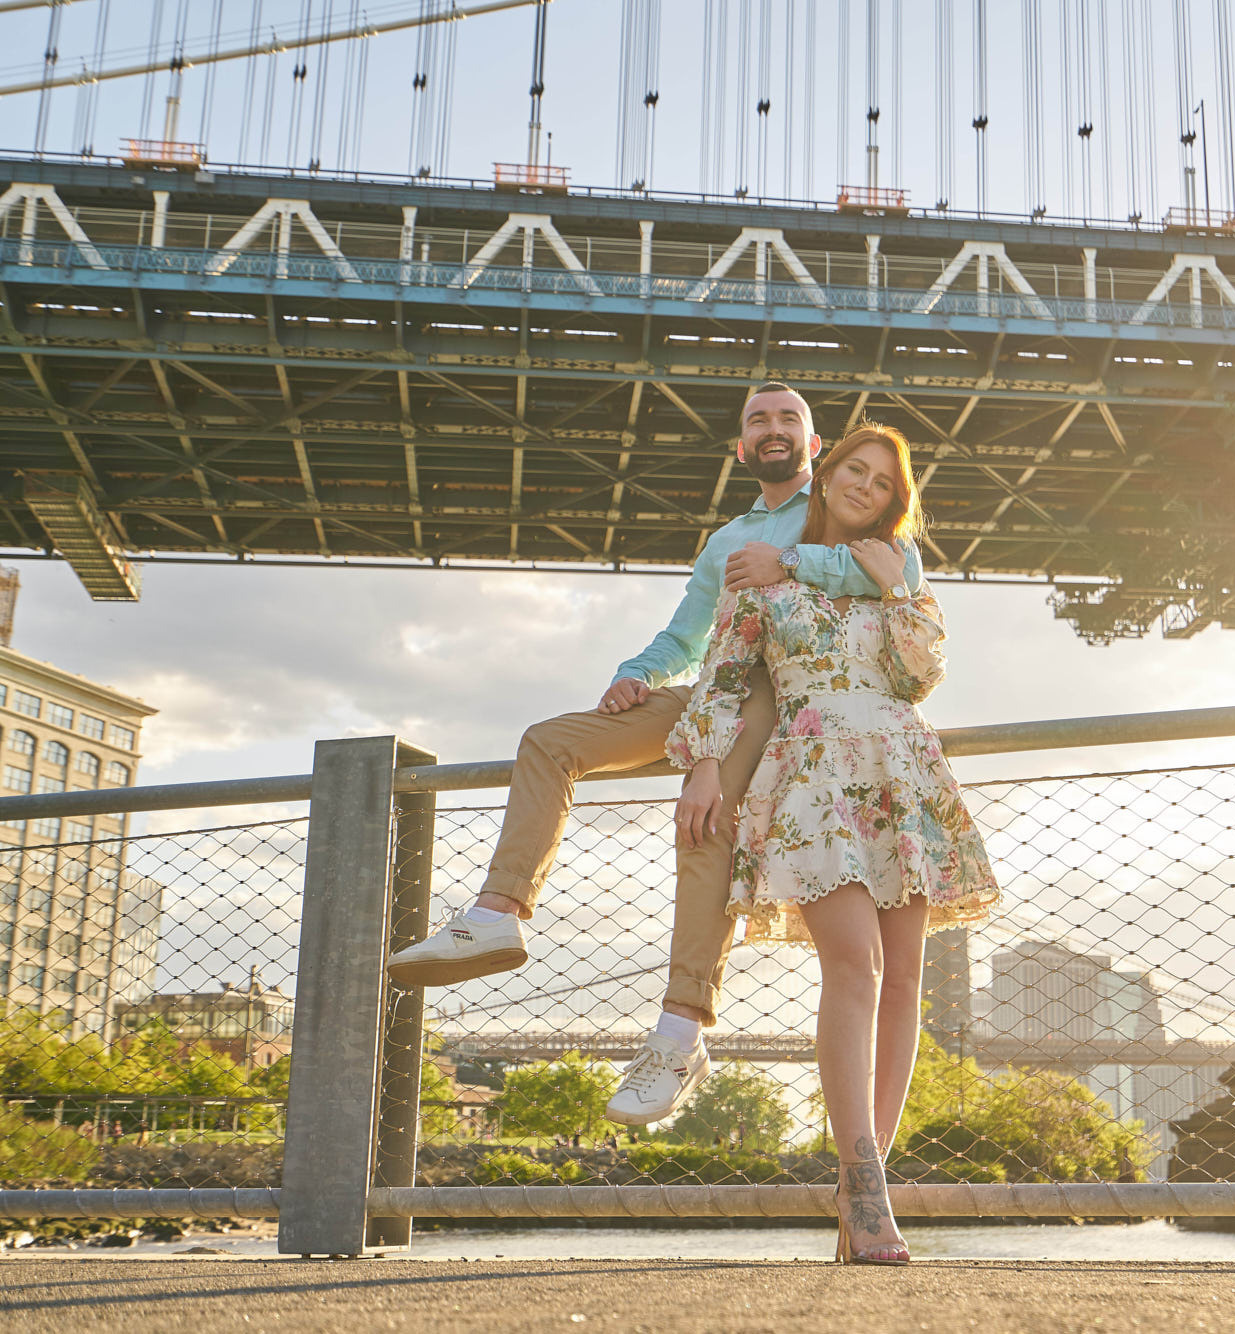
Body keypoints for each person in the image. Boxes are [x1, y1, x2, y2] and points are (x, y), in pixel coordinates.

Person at [386, 383, 924, 1129]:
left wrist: (787, 564)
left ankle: (680, 1033)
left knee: (704, 823)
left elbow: (887, 573)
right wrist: (637, 671)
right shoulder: (726, 539)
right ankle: (497, 911)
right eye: (757, 421)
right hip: (717, 685)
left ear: (817, 444)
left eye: (788, 419)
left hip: (788, 696)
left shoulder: (845, 502)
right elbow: (690, 636)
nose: (773, 429)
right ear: (741, 447)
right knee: (551, 741)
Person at [665, 422, 999, 1265]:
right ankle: (862, 1182)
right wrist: (705, 765)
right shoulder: (758, 570)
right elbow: (724, 677)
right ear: (825, 474)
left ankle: (865, 1198)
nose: (865, 487)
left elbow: (921, 674)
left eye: (884, 482)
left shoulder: (896, 570)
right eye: (855, 469)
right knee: (855, 966)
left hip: (900, 766)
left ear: (896, 500)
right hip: (814, 770)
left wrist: (899, 593)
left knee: (906, 978)